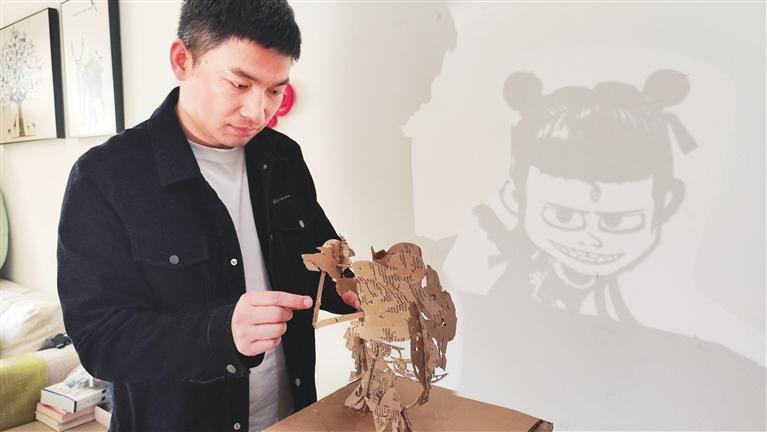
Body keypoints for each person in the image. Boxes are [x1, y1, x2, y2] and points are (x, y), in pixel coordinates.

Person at [56, 1, 359, 431]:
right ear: (183, 60)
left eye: (275, 91)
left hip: (290, 417)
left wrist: (355, 289)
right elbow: (100, 341)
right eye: (239, 84)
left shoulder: (284, 158)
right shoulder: (106, 177)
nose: (257, 112)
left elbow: (319, 264)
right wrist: (221, 334)